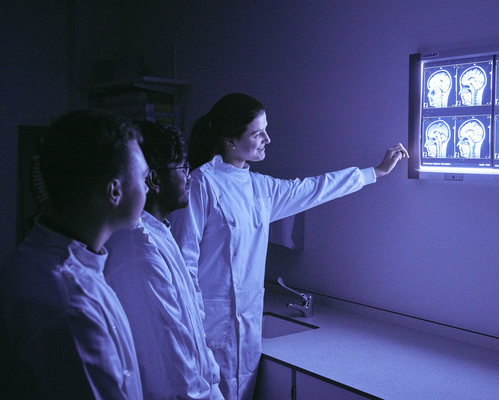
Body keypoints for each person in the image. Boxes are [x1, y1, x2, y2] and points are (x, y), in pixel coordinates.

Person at [169, 93, 409, 400]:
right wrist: (188, 331)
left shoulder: (261, 188)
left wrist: (374, 172)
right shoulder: (201, 184)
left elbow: (314, 188)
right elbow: (182, 265)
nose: (268, 138)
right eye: (258, 133)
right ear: (230, 140)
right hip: (206, 329)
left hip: (247, 326)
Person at [0, 110, 148, 399]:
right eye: (142, 177)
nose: (147, 188)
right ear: (114, 191)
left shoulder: (38, 258)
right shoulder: (72, 308)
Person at [104, 121, 223, 400]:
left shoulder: (159, 231)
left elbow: (190, 331)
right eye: (183, 168)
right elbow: (172, 368)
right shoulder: (139, 252)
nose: (189, 177)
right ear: (154, 180)